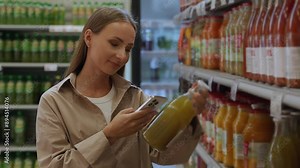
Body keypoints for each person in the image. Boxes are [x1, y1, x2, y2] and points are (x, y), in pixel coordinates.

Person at [36, 7, 208, 168]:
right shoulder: (54, 101)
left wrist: (189, 117)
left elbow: (166, 156)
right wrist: (108, 135)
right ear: (88, 38)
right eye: (114, 43)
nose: (122, 56)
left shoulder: (136, 97)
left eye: (128, 48)